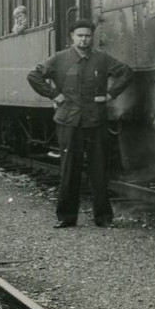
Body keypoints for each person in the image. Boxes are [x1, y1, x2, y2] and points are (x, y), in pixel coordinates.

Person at [27, 20, 132, 227]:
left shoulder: (101, 59)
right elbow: (34, 76)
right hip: (68, 122)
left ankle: (103, 219)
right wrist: (53, 95)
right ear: (72, 37)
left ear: (92, 37)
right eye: (79, 36)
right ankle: (66, 218)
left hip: (95, 122)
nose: (84, 39)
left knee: (99, 170)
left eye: (87, 36)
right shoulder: (59, 58)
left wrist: (110, 95)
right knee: (69, 170)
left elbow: (126, 72)